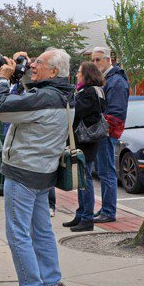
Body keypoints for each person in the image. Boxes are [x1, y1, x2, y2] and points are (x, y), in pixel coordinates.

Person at [0, 49, 73, 286]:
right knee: (41, 231)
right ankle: (51, 282)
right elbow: (27, 102)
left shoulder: (45, 97)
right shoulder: (60, 94)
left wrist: (3, 79)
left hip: (23, 171)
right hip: (43, 172)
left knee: (17, 233)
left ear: (54, 71)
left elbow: (3, 109)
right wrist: (21, 74)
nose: (33, 64)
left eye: (39, 62)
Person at [60, 61, 108, 232]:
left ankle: (87, 218)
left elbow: (78, 112)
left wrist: (71, 100)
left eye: (80, 72)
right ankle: (81, 214)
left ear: (87, 74)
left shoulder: (89, 92)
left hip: (85, 141)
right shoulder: (91, 91)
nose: (77, 74)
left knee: (85, 180)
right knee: (81, 179)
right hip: (86, 141)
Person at [91, 46, 129, 223]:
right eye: (93, 60)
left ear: (108, 60)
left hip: (107, 132)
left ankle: (108, 211)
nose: (95, 63)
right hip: (103, 132)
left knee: (107, 172)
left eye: (98, 59)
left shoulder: (116, 81)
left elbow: (116, 113)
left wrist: (101, 127)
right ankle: (105, 208)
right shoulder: (107, 80)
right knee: (103, 172)